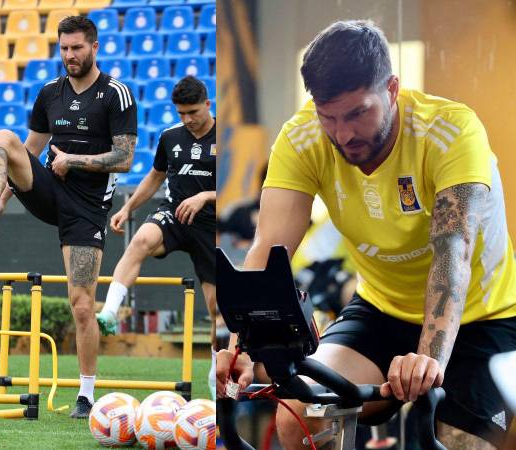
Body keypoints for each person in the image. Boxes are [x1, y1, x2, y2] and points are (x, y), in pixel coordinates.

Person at [216, 20, 516, 450]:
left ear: (392, 89)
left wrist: (427, 359)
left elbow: (453, 253)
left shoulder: (450, 131)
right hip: (382, 310)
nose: (343, 134)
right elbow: (268, 249)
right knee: (302, 415)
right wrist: (244, 345)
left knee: (453, 441)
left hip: (482, 317)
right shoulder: (302, 139)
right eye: (329, 116)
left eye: (358, 113)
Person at [0, 16, 137, 419]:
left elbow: (125, 159)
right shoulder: (49, 93)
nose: (69, 56)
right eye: (63, 48)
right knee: (2, 139)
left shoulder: (116, 94)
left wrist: (75, 159)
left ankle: (86, 394)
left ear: (94, 47)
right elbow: (32, 150)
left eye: (76, 48)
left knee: (80, 304)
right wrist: (2, 202)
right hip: (47, 190)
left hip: (87, 208)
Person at [95, 75, 217, 398]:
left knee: (218, 309)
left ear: (208, 104)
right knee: (140, 241)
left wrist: (206, 197)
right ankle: (109, 312)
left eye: (193, 112)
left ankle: (217, 371)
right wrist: (129, 209)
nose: (187, 120)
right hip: (174, 214)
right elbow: (155, 176)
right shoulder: (170, 137)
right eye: (181, 114)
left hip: (211, 226)